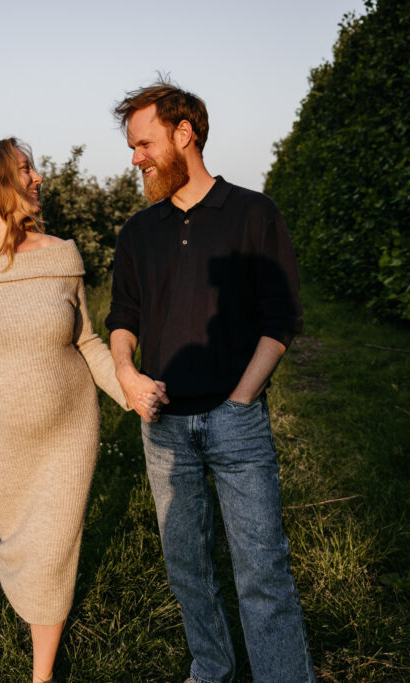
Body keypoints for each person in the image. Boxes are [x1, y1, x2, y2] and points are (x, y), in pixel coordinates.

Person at [0, 138, 162, 682]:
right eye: (26, 169)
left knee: (53, 551)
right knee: (20, 547)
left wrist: (130, 388)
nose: (39, 178)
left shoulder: (60, 254)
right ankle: (31, 608)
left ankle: (41, 675)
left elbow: (87, 343)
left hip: (68, 433)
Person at [106, 81, 316, 682]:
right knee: (187, 569)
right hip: (163, 428)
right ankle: (212, 670)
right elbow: (124, 316)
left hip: (235, 424)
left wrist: (241, 399)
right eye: (132, 146)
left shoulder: (253, 213)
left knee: (261, 571)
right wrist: (126, 372)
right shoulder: (137, 233)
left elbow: (282, 319)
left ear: (184, 134)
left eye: (144, 143)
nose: (136, 157)